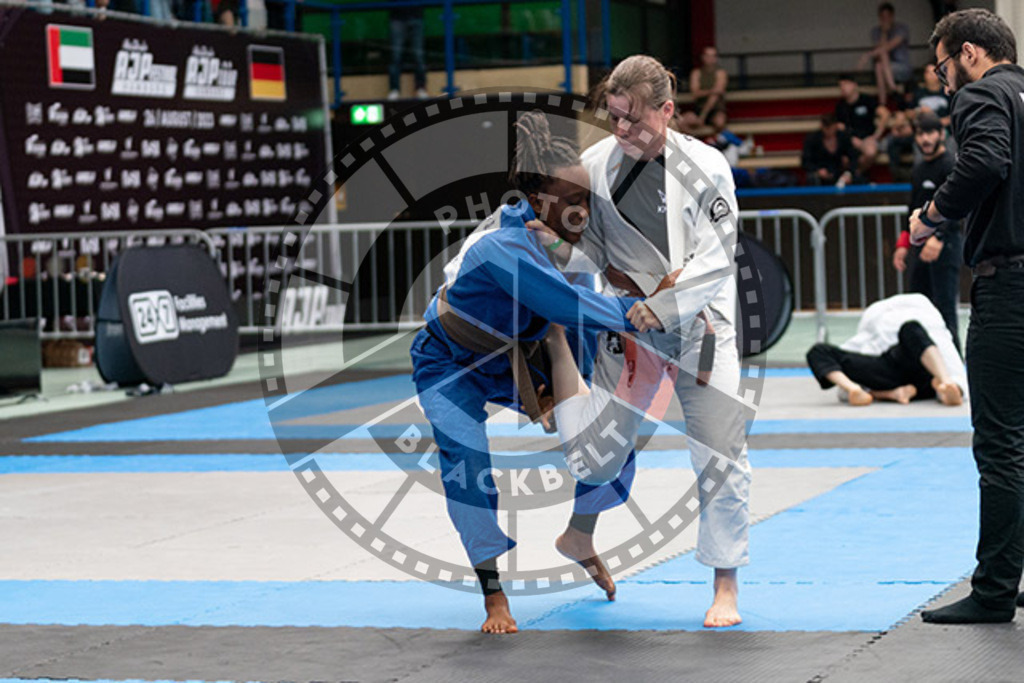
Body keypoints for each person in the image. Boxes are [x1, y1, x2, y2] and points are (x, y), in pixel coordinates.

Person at [409, 112, 661, 634]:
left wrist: (658, 312)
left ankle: (580, 533)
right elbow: (570, 305)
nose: (584, 211)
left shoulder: (563, 237)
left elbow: (592, 299)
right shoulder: (501, 247)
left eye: (587, 200)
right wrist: (651, 317)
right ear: (537, 199)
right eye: (574, 201)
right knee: (467, 464)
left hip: (521, 353)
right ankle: (493, 594)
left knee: (613, 433)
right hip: (448, 360)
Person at [561, 55, 752, 628]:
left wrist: (661, 306)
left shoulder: (707, 167)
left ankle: (725, 585)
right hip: (627, 328)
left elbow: (716, 257)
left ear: (667, 111)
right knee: (601, 448)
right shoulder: (595, 167)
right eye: (615, 118)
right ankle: (579, 532)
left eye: (635, 120)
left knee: (720, 453)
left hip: (699, 327)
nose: (622, 131)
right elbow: (583, 249)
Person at [910, 8, 1024, 624]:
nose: (943, 79)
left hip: (1010, 287)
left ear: (972, 53)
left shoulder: (982, 95)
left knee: (1002, 444)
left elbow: (983, 164)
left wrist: (931, 215)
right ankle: (1011, 573)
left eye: (944, 64)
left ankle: (996, 589)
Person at [806, 294, 965, 406]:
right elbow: (952, 362)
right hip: (920, 375)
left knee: (819, 351)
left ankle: (860, 390)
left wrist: (851, 390)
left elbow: (845, 360)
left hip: (895, 371)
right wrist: (954, 383)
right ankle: (944, 384)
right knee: (911, 329)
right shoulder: (931, 330)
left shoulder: (930, 325)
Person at [892, 112, 962, 349]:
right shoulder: (919, 169)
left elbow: (957, 206)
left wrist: (939, 237)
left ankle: (953, 373)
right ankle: (924, 370)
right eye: (921, 134)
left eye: (930, 132)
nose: (925, 139)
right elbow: (912, 207)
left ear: (941, 134)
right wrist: (903, 244)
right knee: (917, 306)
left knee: (944, 310)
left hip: (946, 244)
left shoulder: (951, 165)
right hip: (919, 246)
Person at [835, 74, 889, 180]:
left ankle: (855, 174)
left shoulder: (867, 100)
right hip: (851, 141)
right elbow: (839, 126)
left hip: (868, 138)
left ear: (854, 85)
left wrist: (876, 135)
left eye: (845, 84)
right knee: (843, 158)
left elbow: (885, 114)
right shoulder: (840, 106)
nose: (843, 88)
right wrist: (851, 139)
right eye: (840, 86)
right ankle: (853, 175)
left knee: (870, 151)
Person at [859, 2, 913, 106]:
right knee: (879, 65)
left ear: (892, 16)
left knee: (882, 57)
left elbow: (888, 47)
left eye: (888, 16)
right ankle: (886, 99)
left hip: (902, 68)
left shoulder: (901, 28)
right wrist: (884, 32)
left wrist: (867, 56)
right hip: (885, 70)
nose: (885, 19)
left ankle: (890, 91)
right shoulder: (876, 31)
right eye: (883, 17)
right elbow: (880, 49)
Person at [802, 113, 855, 186]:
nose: (828, 131)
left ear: (836, 126)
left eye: (831, 128)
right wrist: (818, 170)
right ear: (822, 127)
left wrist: (848, 173)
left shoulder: (844, 138)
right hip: (821, 172)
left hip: (839, 171)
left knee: (857, 178)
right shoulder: (812, 139)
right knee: (812, 178)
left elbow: (853, 157)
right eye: (826, 128)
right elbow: (805, 161)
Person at [387, 6, 428, 101]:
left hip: (416, 15)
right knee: (395, 56)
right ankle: (394, 89)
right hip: (397, 17)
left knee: (418, 55)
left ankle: (420, 88)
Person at [704, 110, 754, 187]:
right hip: (716, 170)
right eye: (718, 117)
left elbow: (743, 148)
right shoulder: (708, 136)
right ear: (712, 119)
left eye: (722, 117)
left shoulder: (728, 136)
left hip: (731, 169)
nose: (720, 119)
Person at [689, 46, 728, 125]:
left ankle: (712, 135)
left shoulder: (721, 73)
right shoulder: (696, 73)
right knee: (682, 122)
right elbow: (695, 94)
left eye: (713, 56)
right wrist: (711, 91)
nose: (710, 58)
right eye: (707, 56)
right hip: (698, 108)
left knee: (720, 122)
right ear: (703, 57)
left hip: (716, 109)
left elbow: (717, 93)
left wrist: (702, 116)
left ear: (716, 58)